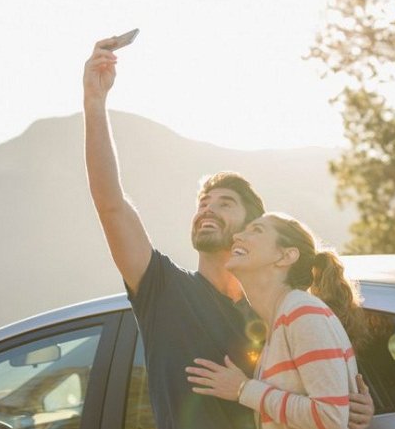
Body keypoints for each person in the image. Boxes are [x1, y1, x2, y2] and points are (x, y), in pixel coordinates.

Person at [82, 35, 374, 429]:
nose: (207, 209)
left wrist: (359, 408)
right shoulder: (163, 289)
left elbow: (328, 394)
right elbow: (111, 205)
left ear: (248, 232)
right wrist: (94, 103)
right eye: (203, 202)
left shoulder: (279, 310)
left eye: (224, 204)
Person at [186, 213, 366, 428]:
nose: (237, 236)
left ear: (286, 256)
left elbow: (330, 418)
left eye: (257, 230)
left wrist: (243, 389)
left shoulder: (302, 313)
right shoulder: (282, 321)